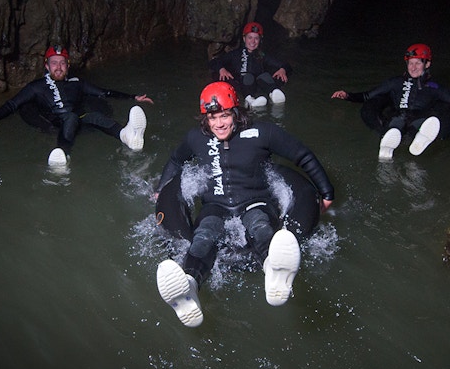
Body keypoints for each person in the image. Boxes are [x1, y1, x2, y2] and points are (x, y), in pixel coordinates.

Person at [155, 81, 334, 328]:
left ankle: (274, 271)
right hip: (214, 205)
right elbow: (176, 161)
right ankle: (190, 286)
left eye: (225, 116)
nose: (219, 123)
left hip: (255, 200)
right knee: (203, 236)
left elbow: (303, 155)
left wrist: (326, 192)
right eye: (213, 117)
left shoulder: (263, 132)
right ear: (205, 118)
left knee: (260, 226)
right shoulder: (195, 138)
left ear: (236, 113)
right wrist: (161, 189)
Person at [0, 45, 154, 167]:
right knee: (70, 117)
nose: (58, 67)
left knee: (94, 116)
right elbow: (13, 104)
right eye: (54, 63)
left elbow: (103, 93)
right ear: (46, 66)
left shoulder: (77, 83)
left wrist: (133, 97)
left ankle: (127, 136)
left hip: (77, 122)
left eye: (62, 63)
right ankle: (62, 155)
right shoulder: (36, 87)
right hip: (55, 125)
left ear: (67, 66)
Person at [331, 43, 450, 160]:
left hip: (419, 121)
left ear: (427, 64)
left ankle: (420, 140)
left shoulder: (435, 87)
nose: (413, 67)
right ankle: (387, 144)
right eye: (410, 63)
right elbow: (368, 96)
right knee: (395, 123)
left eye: (418, 63)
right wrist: (347, 96)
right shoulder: (395, 82)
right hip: (397, 119)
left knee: (436, 115)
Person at [209, 21, 292, 109]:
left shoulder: (262, 55)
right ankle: (249, 100)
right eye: (250, 38)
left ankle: (274, 92)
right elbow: (213, 62)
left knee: (264, 75)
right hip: (241, 85)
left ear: (260, 40)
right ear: (244, 38)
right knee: (247, 77)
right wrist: (221, 69)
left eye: (256, 38)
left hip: (257, 85)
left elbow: (284, 64)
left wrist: (283, 69)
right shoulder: (235, 54)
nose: (253, 41)